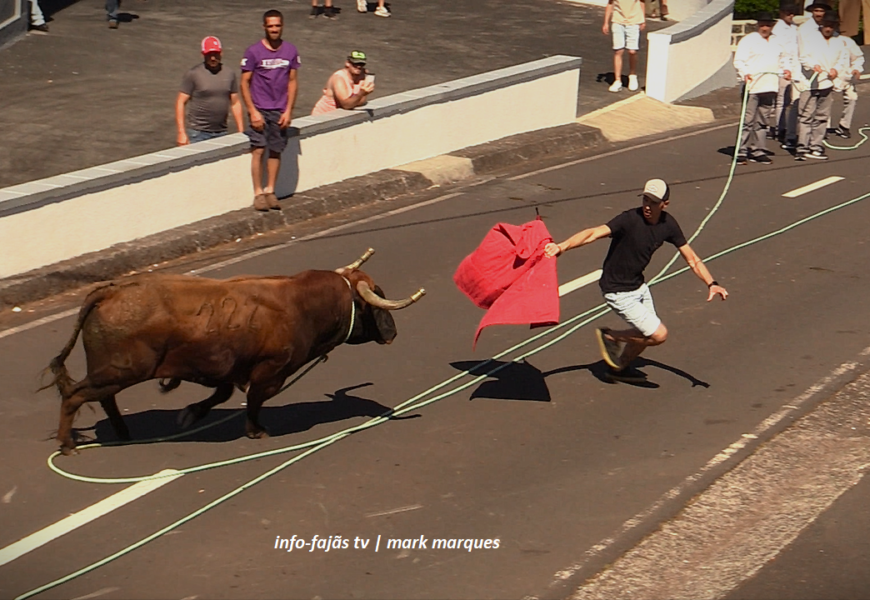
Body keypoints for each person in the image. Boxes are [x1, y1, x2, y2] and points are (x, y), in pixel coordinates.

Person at [543, 178, 728, 382]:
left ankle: (618, 369)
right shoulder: (629, 219)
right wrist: (562, 247)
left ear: (664, 204)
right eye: (645, 200)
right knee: (658, 335)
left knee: (644, 337)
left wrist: (712, 283)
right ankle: (611, 336)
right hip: (616, 290)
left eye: (653, 202)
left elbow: (692, 259)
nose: (647, 206)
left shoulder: (669, 225)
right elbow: (593, 233)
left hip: (639, 286)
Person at [240, 9, 300, 212]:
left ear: (282, 26)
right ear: (264, 27)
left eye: (277, 25)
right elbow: (244, 83)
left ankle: (270, 191)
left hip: (279, 110)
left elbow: (292, 82)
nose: (274, 29)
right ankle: (258, 193)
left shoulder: (290, 51)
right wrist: (252, 111)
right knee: (258, 150)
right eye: (270, 26)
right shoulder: (253, 52)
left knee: (275, 150)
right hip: (260, 109)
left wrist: (288, 111)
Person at [733, 11, 790, 165]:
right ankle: (741, 151)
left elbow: (784, 59)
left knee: (763, 121)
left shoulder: (777, 41)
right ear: (758, 25)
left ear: (772, 26)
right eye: (762, 25)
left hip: (770, 85)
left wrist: (786, 70)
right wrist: (745, 73)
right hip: (753, 86)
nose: (765, 28)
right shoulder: (749, 40)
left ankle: (758, 150)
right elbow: (739, 60)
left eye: (768, 25)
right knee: (748, 121)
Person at [795, 10, 848, 160]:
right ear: (821, 24)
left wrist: (835, 70)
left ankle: (816, 145)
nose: (829, 28)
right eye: (826, 25)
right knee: (806, 116)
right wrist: (813, 66)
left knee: (822, 116)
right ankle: (802, 147)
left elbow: (842, 59)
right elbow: (803, 56)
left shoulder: (838, 40)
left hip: (827, 84)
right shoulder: (811, 37)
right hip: (810, 83)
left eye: (832, 26)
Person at [175, 36, 244, 146]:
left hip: (221, 132)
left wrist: (241, 131)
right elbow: (180, 102)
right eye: (209, 55)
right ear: (203, 54)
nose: (212, 58)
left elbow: (235, 102)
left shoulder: (229, 73)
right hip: (198, 133)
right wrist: (181, 132)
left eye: (215, 54)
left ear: (221, 53)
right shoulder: (193, 74)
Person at [311, 51, 375, 115]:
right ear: (347, 63)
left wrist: (358, 97)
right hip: (324, 115)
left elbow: (361, 102)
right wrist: (361, 93)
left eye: (361, 64)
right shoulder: (339, 78)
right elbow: (346, 105)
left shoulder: (362, 76)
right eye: (355, 64)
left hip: (340, 115)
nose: (359, 67)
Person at [772, 3, 800, 148]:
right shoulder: (778, 29)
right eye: (788, 13)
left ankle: (788, 127)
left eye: (792, 13)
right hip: (783, 68)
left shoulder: (794, 28)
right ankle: (780, 128)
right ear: (782, 13)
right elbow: (780, 51)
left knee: (792, 100)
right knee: (782, 100)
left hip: (795, 68)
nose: (791, 15)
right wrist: (784, 69)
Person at [603, 0, 646, 92]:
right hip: (618, 21)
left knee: (632, 51)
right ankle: (618, 80)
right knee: (618, 51)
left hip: (634, 21)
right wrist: (606, 22)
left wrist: (643, 20)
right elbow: (610, 4)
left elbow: (642, 2)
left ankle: (633, 75)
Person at [831, 34, 864, 138]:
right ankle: (823, 127)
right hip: (829, 77)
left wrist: (856, 68)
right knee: (826, 102)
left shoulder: (846, 41)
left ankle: (844, 126)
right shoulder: (822, 40)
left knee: (852, 97)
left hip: (845, 77)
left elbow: (857, 57)